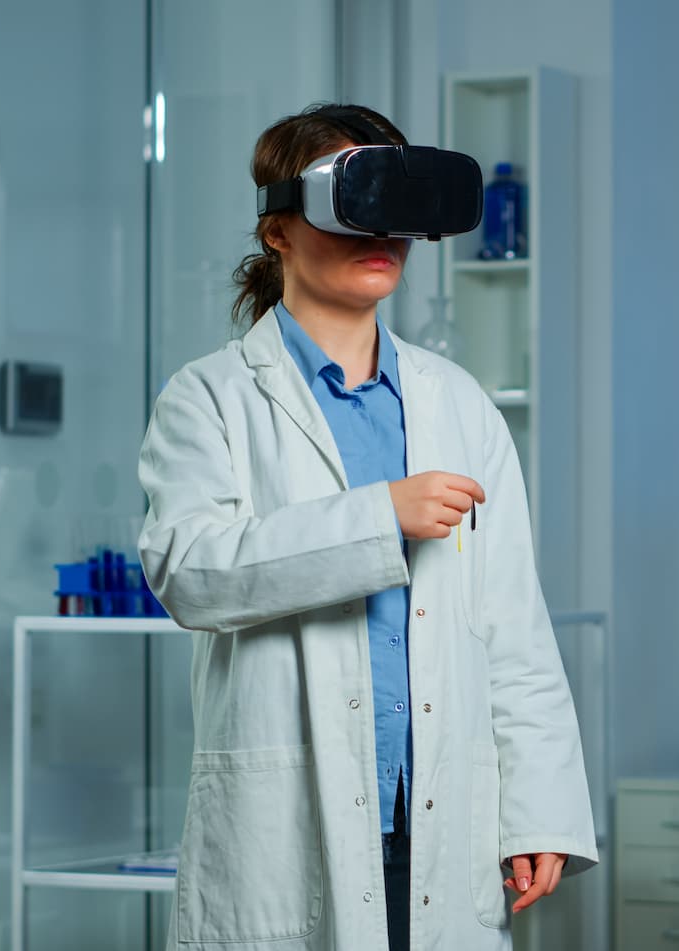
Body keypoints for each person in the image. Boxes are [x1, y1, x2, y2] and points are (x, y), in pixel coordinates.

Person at [137, 103, 596, 951]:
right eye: (355, 200)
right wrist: (379, 516)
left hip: (440, 818)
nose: (380, 230)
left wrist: (540, 807)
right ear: (278, 228)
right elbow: (189, 570)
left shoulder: (456, 402)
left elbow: (512, 627)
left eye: (398, 202)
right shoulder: (211, 398)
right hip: (289, 821)